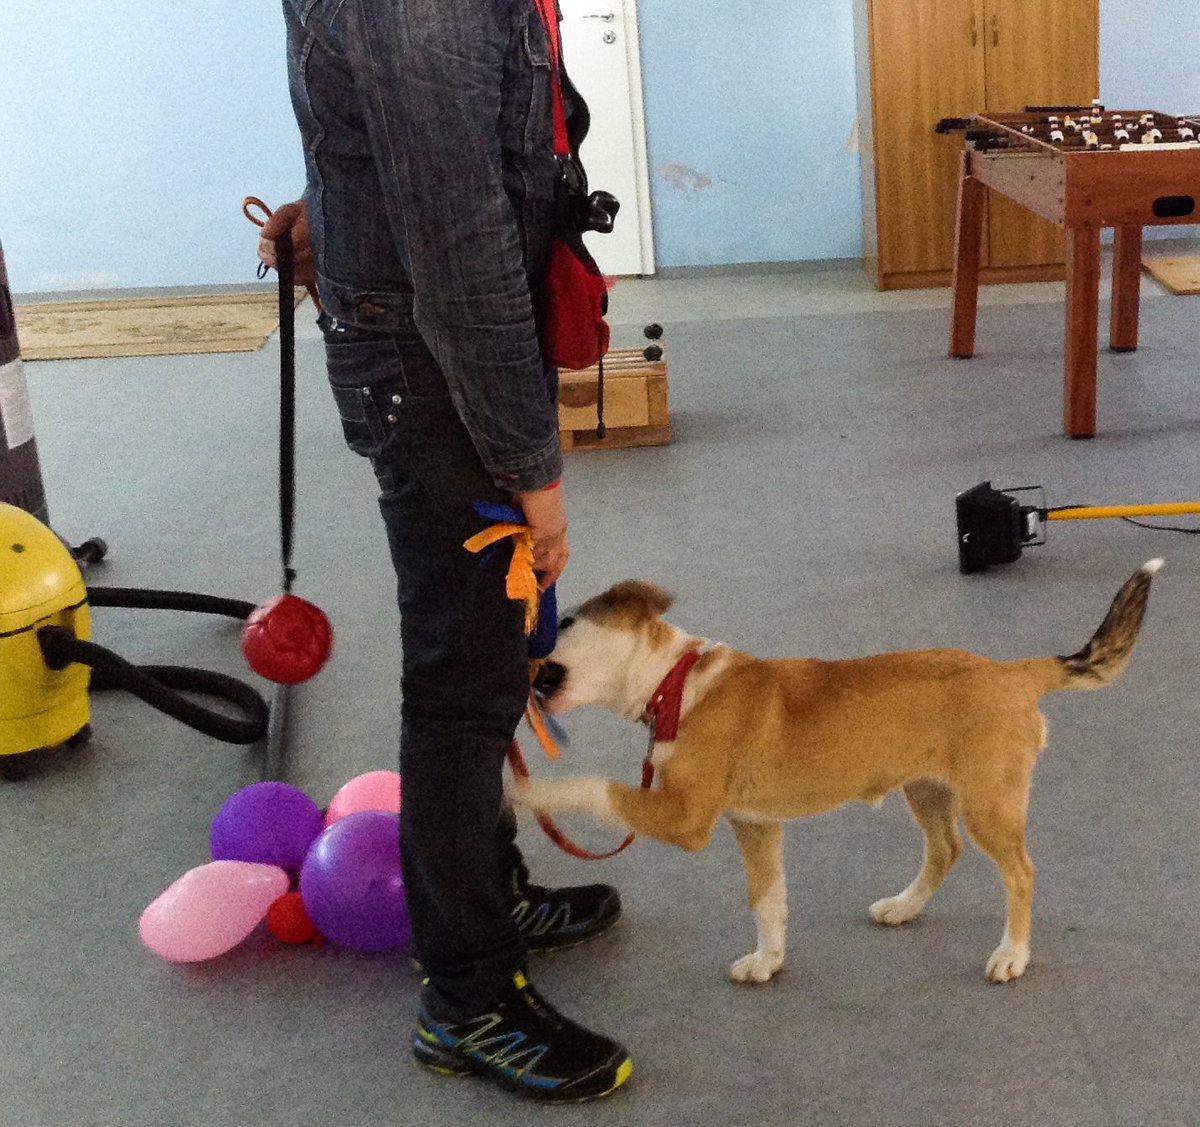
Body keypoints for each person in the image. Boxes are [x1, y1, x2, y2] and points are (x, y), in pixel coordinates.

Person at [258, 0, 631, 1103]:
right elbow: (458, 238)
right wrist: (536, 476)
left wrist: (337, 201)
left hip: (428, 333)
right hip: (429, 360)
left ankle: (487, 883)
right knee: (465, 677)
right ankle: (466, 995)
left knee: (484, 651)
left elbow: (408, 139)